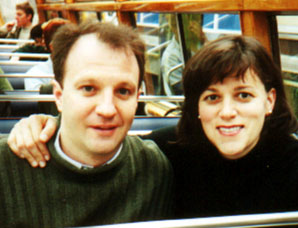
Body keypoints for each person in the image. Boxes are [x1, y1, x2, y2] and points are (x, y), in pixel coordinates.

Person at [8, 35, 298, 219]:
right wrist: (44, 125)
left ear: (269, 100)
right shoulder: (171, 153)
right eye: (211, 98)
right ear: (196, 108)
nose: (228, 112)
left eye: (244, 95)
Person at [1, 22, 172, 227]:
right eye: (89, 88)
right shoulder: (6, 166)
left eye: (123, 91)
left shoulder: (154, 167)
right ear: (59, 96)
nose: (107, 109)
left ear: (137, 99)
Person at [24, 18, 69, 90]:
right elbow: (36, 98)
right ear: (52, 47)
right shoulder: (35, 75)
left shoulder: (83, 70)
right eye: (67, 44)